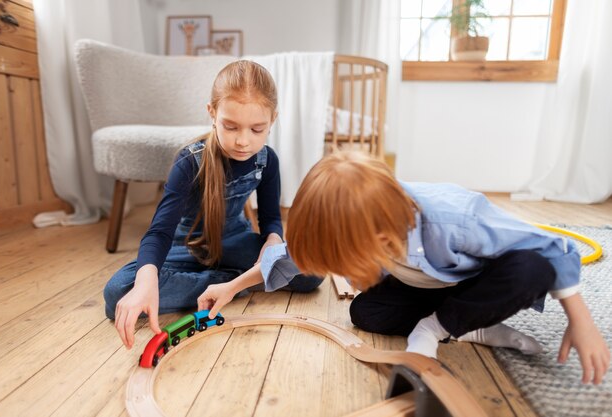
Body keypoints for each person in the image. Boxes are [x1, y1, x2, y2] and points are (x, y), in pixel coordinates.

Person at [280, 150, 608, 385]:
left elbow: (551, 247)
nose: (345, 274)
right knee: (365, 313)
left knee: (532, 269)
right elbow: (295, 252)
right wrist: (234, 286)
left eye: (343, 263)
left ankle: (437, 327)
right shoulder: (358, 223)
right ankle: (472, 328)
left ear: (379, 238)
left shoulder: (457, 219)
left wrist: (581, 320)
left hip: (473, 285)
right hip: (425, 284)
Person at [104, 60, 321, 349]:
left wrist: (272, 239)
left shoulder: (267, 161)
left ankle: (228, 285)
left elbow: (270, 218)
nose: (243, 141)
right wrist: (146, 281)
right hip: (184, 246)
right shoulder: (188, 161)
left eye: (257, 129)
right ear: (212, 113)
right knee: (118, 292)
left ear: (273, 120)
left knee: (311, 273)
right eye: (230, 126)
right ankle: (235, 284)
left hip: (235, 241)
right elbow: (159, 233)